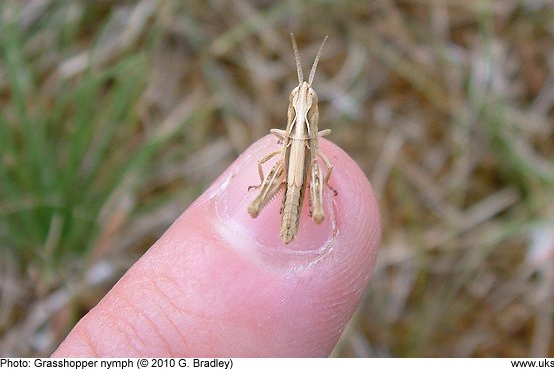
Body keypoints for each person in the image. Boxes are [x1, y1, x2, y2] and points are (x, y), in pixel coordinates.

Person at [52, 136, 381, 357]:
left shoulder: (293, 139)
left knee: (301, 170)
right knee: (275, 181)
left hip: (300, 167)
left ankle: (302, 216)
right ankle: (260, 216)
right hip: (289, 167)